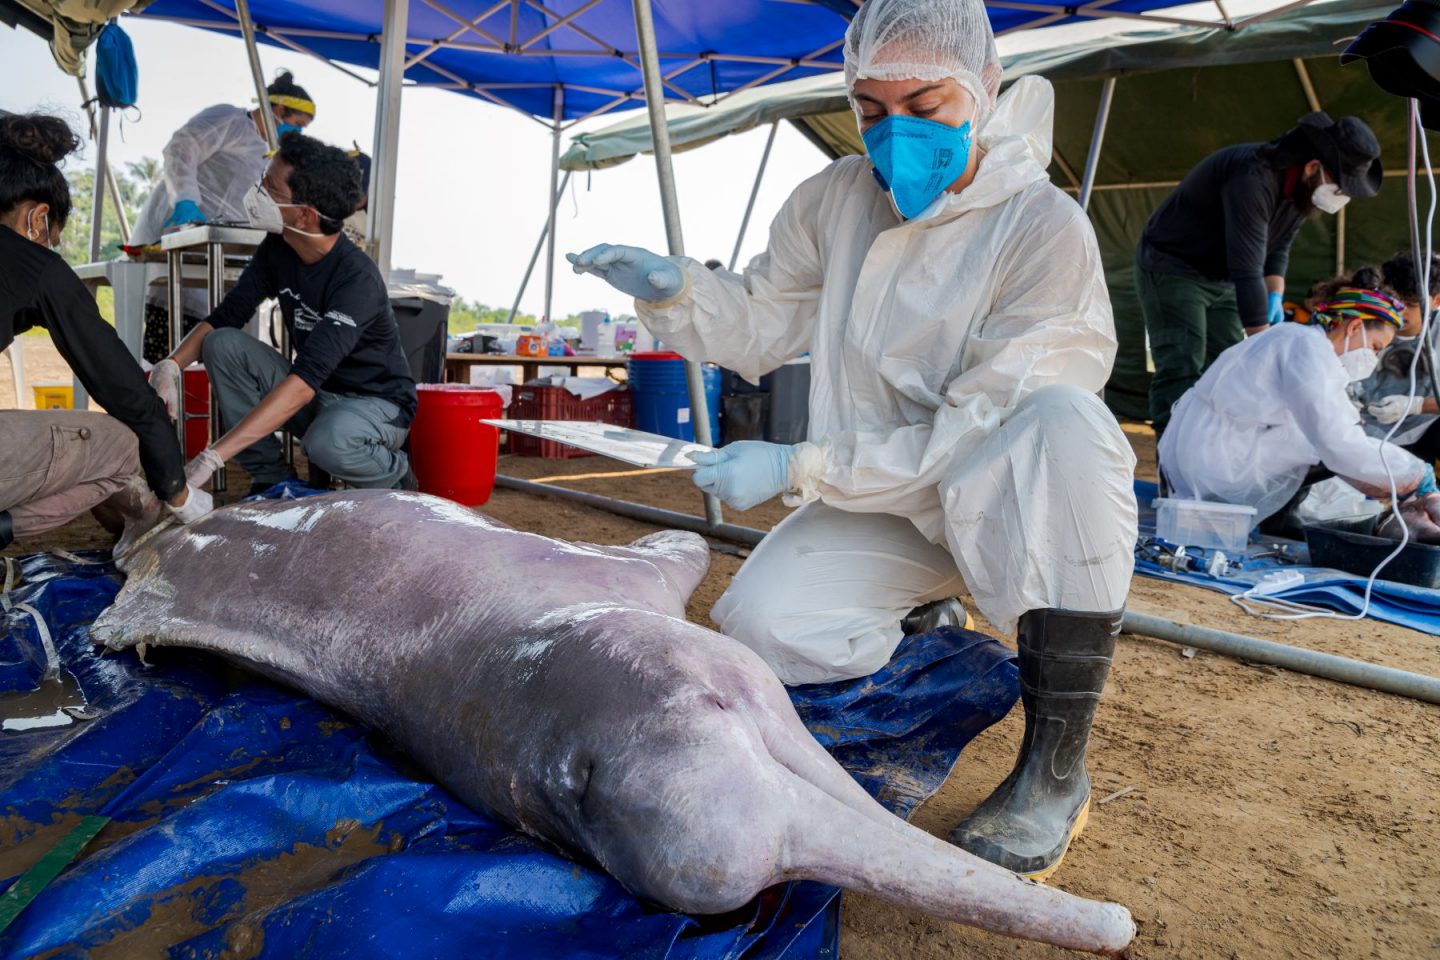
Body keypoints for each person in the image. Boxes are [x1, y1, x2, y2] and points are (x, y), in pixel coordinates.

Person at [569, 0, 1137, 881]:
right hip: (886, 499)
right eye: (872, 111)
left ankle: (1055, 769)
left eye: (925, 106)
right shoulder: (835, 200)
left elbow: (981, 423)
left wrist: (800, 465)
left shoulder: (1039, 227)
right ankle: (926, 616)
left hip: (1006, 498)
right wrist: (677, 289)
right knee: (762, 628)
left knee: (1064, 423)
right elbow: (761, 326)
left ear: (985, 89)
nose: (895, 134)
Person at [151, 134, 416, 495]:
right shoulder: (279, 247)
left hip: (374, 404)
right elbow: (227, 314)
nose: (257, 192)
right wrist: (171, 365)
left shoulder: (357, 279)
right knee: (222, 343)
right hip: (318, 392)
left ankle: (394, 476)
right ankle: (272, 478)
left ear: (304, 215)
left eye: (270, 188)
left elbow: (304, 380)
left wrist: (213, 457)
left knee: (328, 442)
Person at [0, 113, 209, 551]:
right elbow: (125, 394)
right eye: (52, 237)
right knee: (121, 445)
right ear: (38, 219)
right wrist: (179, 491)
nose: (50, 247)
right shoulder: (35, 264)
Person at [1138, 112, 1383, 437]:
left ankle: (1211, 455)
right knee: (1183, 364)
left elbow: (1278, 248)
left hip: (1223, 278)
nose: (1343, 198)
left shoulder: (1302, 191)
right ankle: (1171, 468)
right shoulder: (1251, 177)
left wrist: (1275, 293)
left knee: (1225, 367)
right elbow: (1247, 265)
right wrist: (1266, 345)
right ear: (1313, 167)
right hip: (1174, 267)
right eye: (1341, 188)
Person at [1159, 284, 1432, 537]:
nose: (1372, 359)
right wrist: (1415, 474)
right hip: (1217, 459)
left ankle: (1280, 517)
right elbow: (1338, 442)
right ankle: (1279, 521)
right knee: (1326, 448)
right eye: (1374, 347)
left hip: (1199, 447)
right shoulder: (1310, 349)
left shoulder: (1294, 336)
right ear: (1354, 327)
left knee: (1323, 442)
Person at [133, 71, 317, 363]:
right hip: (177, 230)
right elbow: (181, 147)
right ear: (278, 110)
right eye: (296, 125)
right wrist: (185, 201)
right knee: (164, 345)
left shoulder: (270, 155)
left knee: (208, 345)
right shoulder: (231, 120)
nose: (296, 134)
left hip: (216, 250)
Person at [1356, 251, 1440, 458]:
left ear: (1437, 300)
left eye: (1411, 305)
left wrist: (1417, 405)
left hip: (1425, 432)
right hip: (1361, 431)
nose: (1399, 312)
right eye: (1393, 300)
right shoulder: (1365, 320)